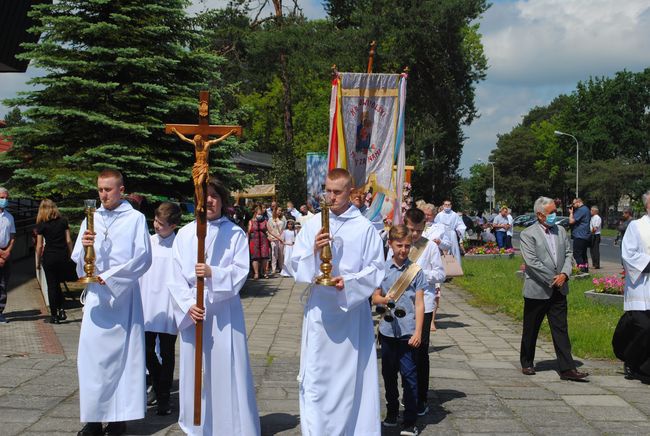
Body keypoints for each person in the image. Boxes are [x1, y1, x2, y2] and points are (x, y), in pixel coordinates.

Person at [290, 168, 385, 435]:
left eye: (336, 192)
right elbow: (293, 265)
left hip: (350, 310)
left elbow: (377, 268)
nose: (330, 197)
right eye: (327, 190)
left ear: (350, 192)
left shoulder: (364, 227)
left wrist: (350, 281)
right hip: (320, 311)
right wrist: (313, 251)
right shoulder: (312, 225)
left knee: (350, 377)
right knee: (319, 375)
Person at [168, 177, 260, 436]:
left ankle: (229, 426)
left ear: (222, 200)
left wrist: (212, 272)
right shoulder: (185, 234)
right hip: (194, 314)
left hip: (223, 313)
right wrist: (188, 305)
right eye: (203, 195)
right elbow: (174, 277)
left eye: (214, 196)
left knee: (225, 369)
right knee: (195, 371)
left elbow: (240, 273)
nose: (208, 200)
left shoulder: (235, 234)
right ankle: (196, 427)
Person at [72, 169, 152, 436]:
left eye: (108, 190)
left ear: (121, 190)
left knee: (124, 361)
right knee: (91, 361)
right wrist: (84, 247)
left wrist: (111, 277)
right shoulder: (90, 218)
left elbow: (143, 258)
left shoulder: (135, 219)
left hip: (123, 298)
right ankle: (93, 421)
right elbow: (77, 261)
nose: (102, 195)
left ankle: (119, 420)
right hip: (96, 298)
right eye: (99, 190)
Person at [519, 196, 588, 382]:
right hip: (538, 289)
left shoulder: (561, 231)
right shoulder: (528, 234)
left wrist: (565, 274)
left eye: (555, 212)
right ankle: (527, 361)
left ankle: (567, 368)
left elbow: (568, 254)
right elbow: (532, 263)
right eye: (551, 213)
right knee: (531, 328)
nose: (554, 216)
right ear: (540, 215)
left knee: (560, 329)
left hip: (560, 288)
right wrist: (553, 279)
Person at [372, 224, 427, 435]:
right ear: (390, 245)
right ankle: (392, 412)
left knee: (410, 376)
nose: (403, 250)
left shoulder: (416, 271)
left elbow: (420, 303)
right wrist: (383, 299)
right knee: (388, 374)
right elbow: (375, 297)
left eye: (407, 246)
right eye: (399, 246)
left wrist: (418, 332)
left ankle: (410, 420)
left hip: (408, 332)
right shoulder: (382, 269)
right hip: (387, 331)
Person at [138, 202, 182, 416]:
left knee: (167, 353)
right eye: (155, 221)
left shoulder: (180, 245)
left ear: (173, 226)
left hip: (168, 306)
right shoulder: (147, 242)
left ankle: (164, 397)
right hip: (147, 305)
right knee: (146, 351)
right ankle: (157, 385)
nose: (156, 226)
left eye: (161, 224)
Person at [402, 209, 445, 416]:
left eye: (419, 230)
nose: (415, 235)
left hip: (424, 305)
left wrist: (419, 273)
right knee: (403, 352)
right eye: (411, 230)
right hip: (402, 303)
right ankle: (406, 393)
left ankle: (421, 397)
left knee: (420, 352)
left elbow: (441, 274)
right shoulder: (397, 244)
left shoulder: (429, 246)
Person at [614, 190, 650, 382]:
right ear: (648, 205)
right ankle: (630, 360)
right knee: (643, 327)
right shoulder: (636, 226)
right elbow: (628, 254)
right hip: (641, 286)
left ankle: (644, 369)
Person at [35, 199, 73, 324]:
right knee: (58, 283)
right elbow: (68, 240)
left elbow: (39, 245)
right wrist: (70, 255)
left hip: (49, 257)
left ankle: (54, 315)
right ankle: (62, 309)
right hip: (62, 256)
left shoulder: (42, 224)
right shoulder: (63, 221)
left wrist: (37, 261)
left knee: (52, 285)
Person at [434, 199, 466, 264]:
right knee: (442, 250)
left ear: (451, 205)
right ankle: (443, 266)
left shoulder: (454, 215)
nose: (447, 206)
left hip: (452, 234)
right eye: (445, 204)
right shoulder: (439, 215)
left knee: (454, 249)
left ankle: (456, 266)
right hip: (442, 234)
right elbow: (435, 225)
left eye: (448, 205)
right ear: (443, 205)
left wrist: (459, 230)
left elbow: (460, 224)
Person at [0, 187, 15, 324]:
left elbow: (12, 236)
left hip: (6, 253)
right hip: (1, 253)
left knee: (3, 283)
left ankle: (0, 312)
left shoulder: (9, 217)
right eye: (1, 198)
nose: (4, 200)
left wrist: (7, 252)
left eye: (6, 198)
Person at [248, 205, 270, 279]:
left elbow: (268, 231)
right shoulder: (251, 221)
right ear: (255, 213)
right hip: (254, 240)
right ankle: (256, 273)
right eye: (259, 214)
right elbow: (248, 231)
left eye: (261, 214)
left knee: (265, 257)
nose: (260, 215)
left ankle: (264, 272)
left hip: (264, 240)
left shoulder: (265, 221)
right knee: (255, 257)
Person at [568, 198, 591, 272]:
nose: (573, 206)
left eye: (574, 204)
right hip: (585, 235)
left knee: (577, 254)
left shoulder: (581, 210)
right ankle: (586, 269)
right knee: (583, 255)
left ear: (578, 202)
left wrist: (571, 213)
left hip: (579, 235)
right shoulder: (586, 209)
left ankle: (582, 270)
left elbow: (571, 221)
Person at [267, 207, 286, 275]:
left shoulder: (283, 219)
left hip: (281, 238)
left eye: (281, 210)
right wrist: (270, 237)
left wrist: (281, 237)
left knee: (281, 253)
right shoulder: (271, 219)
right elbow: (269, 229)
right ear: (275, 211)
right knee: (274, 254)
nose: (280, 212)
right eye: (279, 210)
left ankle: (281, 267)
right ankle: (273, 268)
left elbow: (283, 229)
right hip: (273, 238)